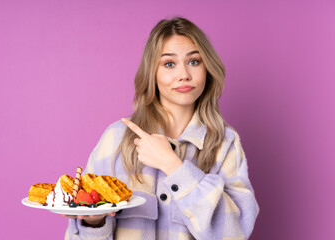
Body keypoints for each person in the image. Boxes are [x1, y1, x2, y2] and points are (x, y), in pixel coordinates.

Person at [64, 17, 259, 240]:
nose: (184, 74)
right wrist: (94, 222)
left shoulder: (225, 143)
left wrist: (173, 166)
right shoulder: (117, 139)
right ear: (152, 73)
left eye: (194, 61)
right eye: (169, 64)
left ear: (208, 68)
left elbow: (234, 233)